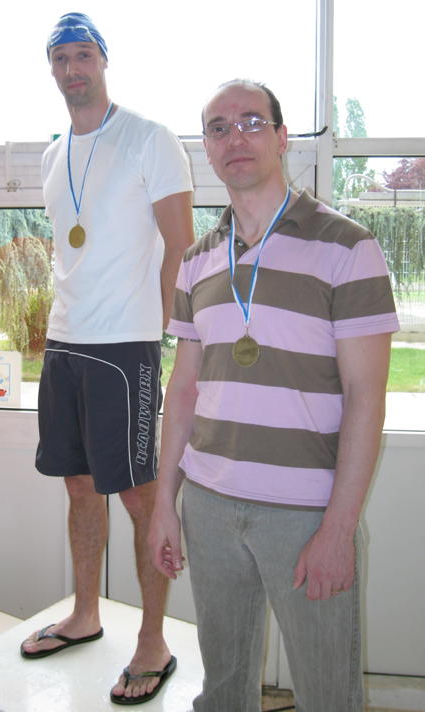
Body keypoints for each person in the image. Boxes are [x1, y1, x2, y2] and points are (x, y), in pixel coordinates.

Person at [149, 79, 399, 712]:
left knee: (328, 695)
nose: (235, 137)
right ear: (207, 149)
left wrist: (339, 528)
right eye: (218, 128)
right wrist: (163, 504)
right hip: (209, 505)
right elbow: (184, 390)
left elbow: (366, 397)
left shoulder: (348, 247)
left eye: (252, 122)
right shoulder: (197, 261)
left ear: (283, 138)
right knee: (223, 690)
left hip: (306, 513)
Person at [19, 13, 194, 705]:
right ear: (52, 68)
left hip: (126, 347)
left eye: (83, 55)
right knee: (78, 487)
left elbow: (180, 244)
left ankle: (153, 641)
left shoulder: (150, 138)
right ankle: (85, 613)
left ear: (103, 60)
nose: (73, 69)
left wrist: (164, 336)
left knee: (141, 496)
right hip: (66, 343)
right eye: (61, 57)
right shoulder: (52, 155)